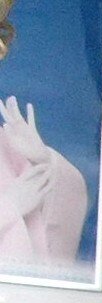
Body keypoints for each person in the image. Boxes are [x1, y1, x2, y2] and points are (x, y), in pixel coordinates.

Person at [0, 95, 87, 265]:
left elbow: (57, 232)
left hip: (27, 279)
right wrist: (7, 209)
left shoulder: (7, 143)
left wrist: (45, 162)